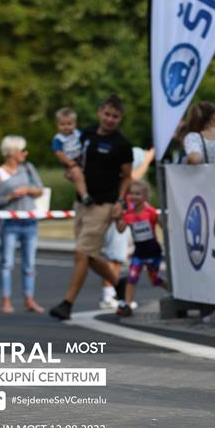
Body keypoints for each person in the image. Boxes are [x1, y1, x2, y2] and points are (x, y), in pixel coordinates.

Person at [50, 94, 132, 320]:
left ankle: (67, 303)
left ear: (120, 118)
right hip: (82, 201)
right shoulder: (86, 134)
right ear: (100, 113)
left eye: (115, 116)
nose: (110, 119)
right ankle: (119, 284)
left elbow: (127, 177)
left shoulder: (122, 144)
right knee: (89, 255)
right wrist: (70, 173)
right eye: (107, 114)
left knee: (82, 252)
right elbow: (75, 161)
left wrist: (120, 202)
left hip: (104, 204)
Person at [0, 135, 45, 314]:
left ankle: (29, 299)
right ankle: (6, 300)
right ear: (12, 152)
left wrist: (28, 190)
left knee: (30, 264)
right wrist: (10, 196)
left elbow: (40, 190)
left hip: (29, 221)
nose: (25, 153)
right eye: (22, 150)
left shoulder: (28, 168)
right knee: (7, 263)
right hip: (9, 224)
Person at [99, 145, 157, 310]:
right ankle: (108, 294)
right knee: (114, 256)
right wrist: (147, 160)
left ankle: (111, 293)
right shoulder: (123, 177)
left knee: (117, 257)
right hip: (117, 215)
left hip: (120, 216)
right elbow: (133, 177)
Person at [114, 180, 165, 317]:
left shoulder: (150, 212)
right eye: (131, 193)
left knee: (155, 279)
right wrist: (117, 219)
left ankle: (174, 292)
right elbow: (120, 230)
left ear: (145, 196)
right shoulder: (129, 214)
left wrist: (163, 219)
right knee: (132, 277)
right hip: (139, 252)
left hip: (153, 250)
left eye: (138, 194)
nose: (134, 196)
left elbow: (163, 227)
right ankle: (127, 305)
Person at [51, 107, 91, 205]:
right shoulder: (58, 139)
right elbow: (59, 153)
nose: (66, 127)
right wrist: (69, 162)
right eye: (62, 124)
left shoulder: (79, 133)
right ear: (57, 125)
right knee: (77, 174)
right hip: (71, 160)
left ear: (75, 124)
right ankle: (84, 195)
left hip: (82, 157)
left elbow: (86, 143)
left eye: (69, 124)